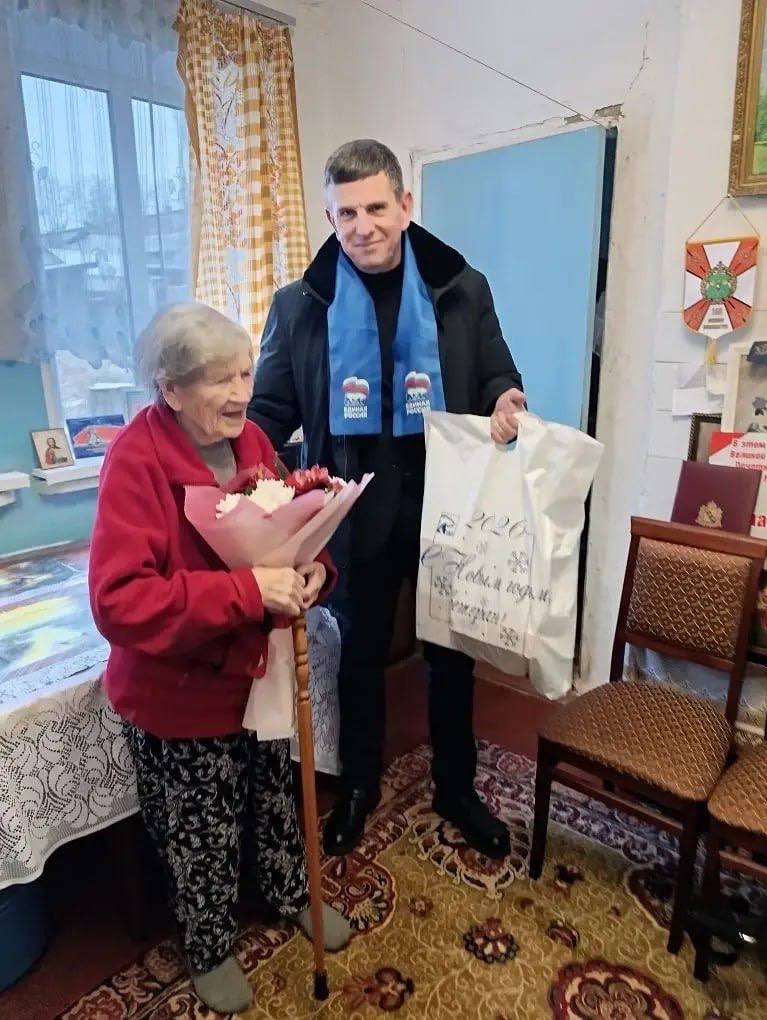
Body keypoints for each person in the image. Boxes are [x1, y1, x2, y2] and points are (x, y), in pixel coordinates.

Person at [248, 140, 525, 861]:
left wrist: (507, 400)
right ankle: (361, 786)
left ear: (405, 204)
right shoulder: (300, 304)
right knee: (360, 657)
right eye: (345, 213)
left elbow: (498, 375)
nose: (362, 226)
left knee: (451, 657)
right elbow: (267, 414)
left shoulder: (460, 288)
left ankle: (456, 788)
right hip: (352, 510)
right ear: (329, 216)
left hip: (444, 502)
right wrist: (238, 475)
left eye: (375, 207)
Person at [89, 302, 351, 1016]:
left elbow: (294, 522)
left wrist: (316, 570)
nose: (241, 393)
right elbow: (119, 602)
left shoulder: (254, 438)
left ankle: (291, 892)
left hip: (257, 673)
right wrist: (246, 592)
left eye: (245, 373)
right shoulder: (134, 461)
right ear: (170, 389)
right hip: (178, 690)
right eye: (219, 379)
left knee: (274, 796)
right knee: (201, 829)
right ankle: (208, 945)